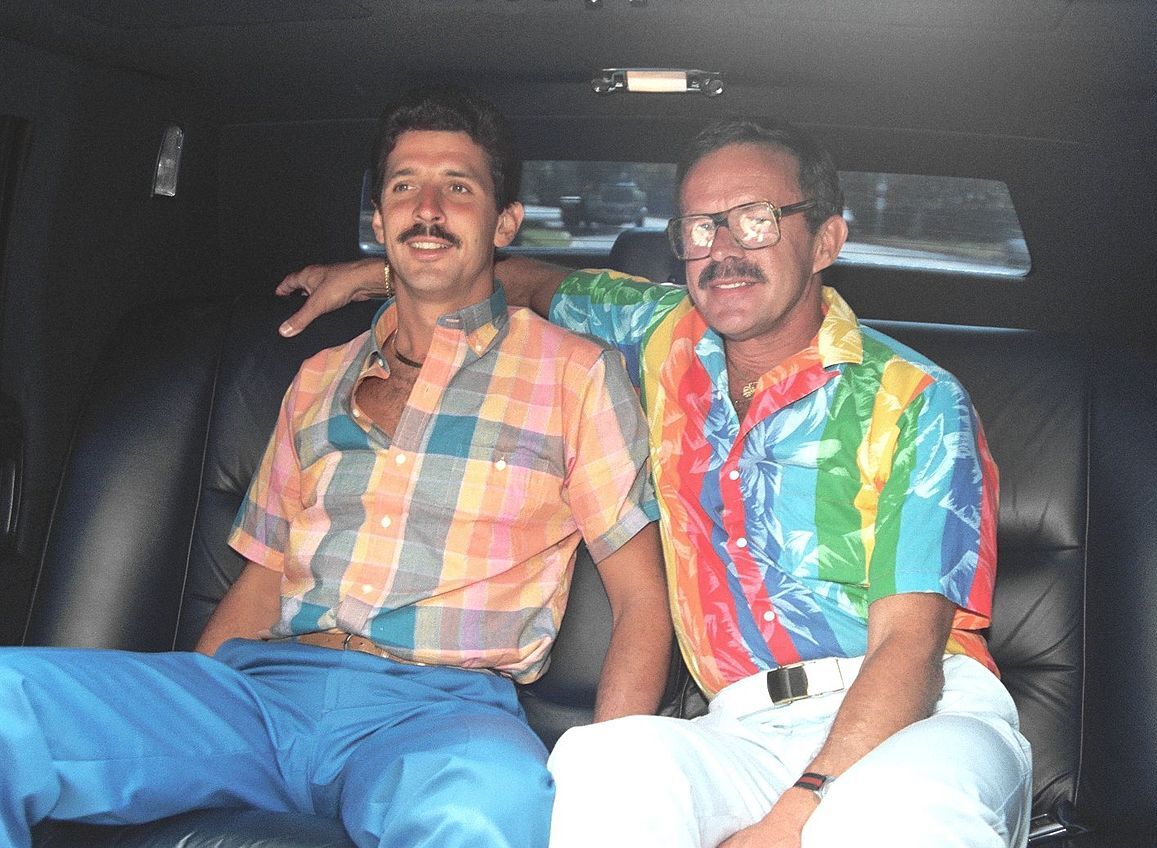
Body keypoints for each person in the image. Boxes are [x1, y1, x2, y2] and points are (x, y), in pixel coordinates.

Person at [277, 116, 1033, 848]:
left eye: (756, 220)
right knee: (602, 763)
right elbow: (526, 280)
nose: (724, 250)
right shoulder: (662, 333)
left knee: (892, 817)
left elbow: (909, 644)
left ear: (827, 238)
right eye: (701, 228)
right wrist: (384, 272)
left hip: (918, 711)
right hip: (741, 724)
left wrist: (797, 814)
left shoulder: (916, 398)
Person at [0, 86, 669, 848]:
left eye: (459, 187)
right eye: (403, 186)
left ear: (504, 221)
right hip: (261, 696)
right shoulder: (317, 374)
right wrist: (191, 705)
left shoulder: (577, 376)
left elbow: (641, 601)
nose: (427, 208)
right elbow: (264, 574)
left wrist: (611, 786)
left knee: (483, 811)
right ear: (378, 221)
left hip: (441, 716)